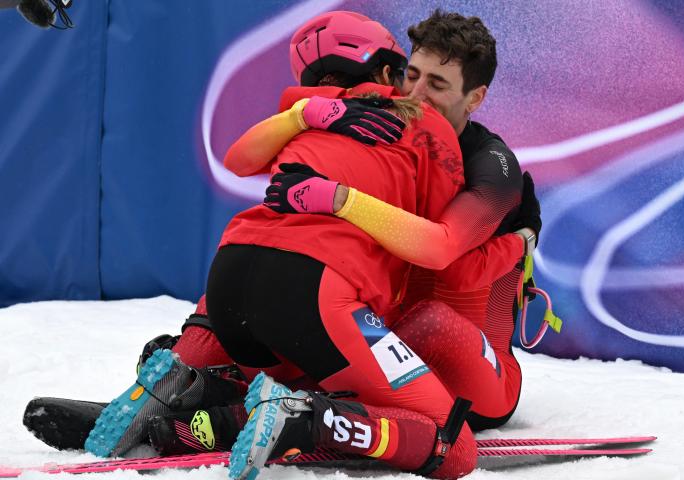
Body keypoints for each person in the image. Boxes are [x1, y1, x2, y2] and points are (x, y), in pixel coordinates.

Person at [84, 11, 515, 480]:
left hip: (233, 276)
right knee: (453, 447)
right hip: (325, 295)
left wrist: (322, 160)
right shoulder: (422, 131)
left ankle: (188, 387)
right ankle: (306, 419)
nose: (414, 93)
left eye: (436, 83)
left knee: (303, 349)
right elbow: (437, 254)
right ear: (391, 70)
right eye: (411, 74)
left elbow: (236, 159)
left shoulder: (313, 109)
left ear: (476, 99)